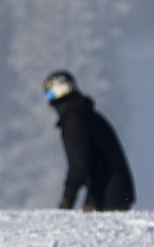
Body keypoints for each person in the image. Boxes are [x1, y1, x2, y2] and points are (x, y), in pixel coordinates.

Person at [43, 70, 136, 212]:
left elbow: (78, 167)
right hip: (112, 193)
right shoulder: (88, 115)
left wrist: (66, 202)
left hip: (108, 198)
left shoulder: (74, 121)